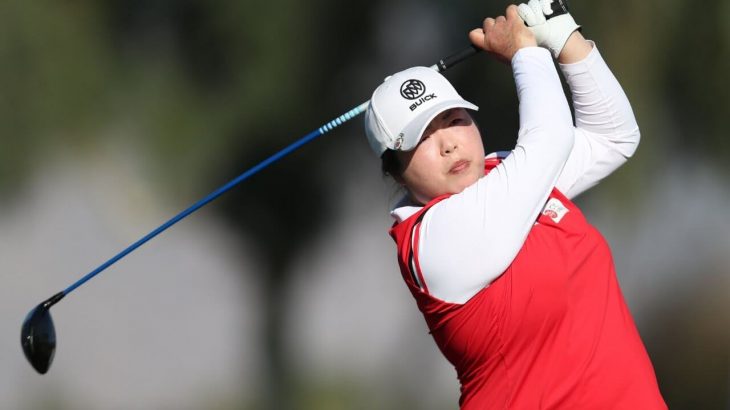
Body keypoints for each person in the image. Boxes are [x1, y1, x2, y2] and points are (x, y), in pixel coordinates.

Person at [363, 1, 667, 408]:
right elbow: (551, 138)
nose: (449, 142)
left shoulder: (508, 173)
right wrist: (525, 54)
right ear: (397, 172)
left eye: (454, 119)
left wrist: (562, 37)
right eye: (422, 138)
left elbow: (613, 138)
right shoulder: (433, 241)